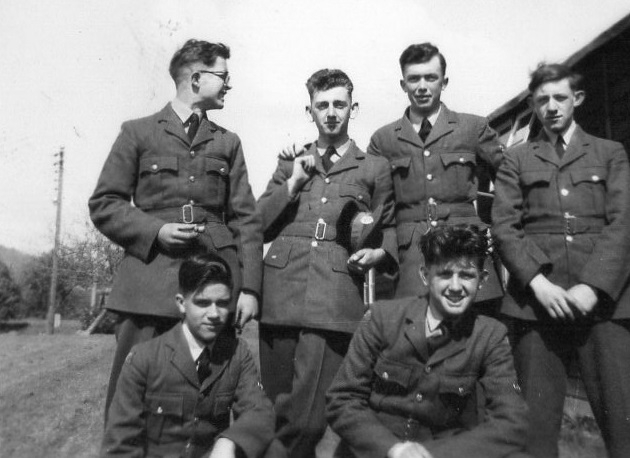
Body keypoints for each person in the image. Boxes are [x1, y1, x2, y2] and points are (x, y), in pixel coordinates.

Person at [89, 39, 262, 421]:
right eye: (223, 76)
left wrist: (249, 289)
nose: (229, 84)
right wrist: (156, 231)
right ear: (196, 78)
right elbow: (104, 202)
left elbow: (245, 219)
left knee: (208, 404)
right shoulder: (138, 132)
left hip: (213, 289)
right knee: (132, 402)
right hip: (148, 289)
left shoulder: (228, 142)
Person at [257, 69, 397, 457]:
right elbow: (259, 224)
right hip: (279, 296)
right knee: (274, 413)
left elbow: (390, 226)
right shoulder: (291, 161)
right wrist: (293, 182)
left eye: (339, 104)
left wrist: (380, 253)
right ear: (310, 111)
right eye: (322, 105)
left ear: (354, 108)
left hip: (333, 300)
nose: (331, 113)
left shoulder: (373, 167)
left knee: (307, 422)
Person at [492, 63, 630, 458]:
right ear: (533, 105)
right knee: (535, 432)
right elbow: (504, 227)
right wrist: (539, 284)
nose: (551, 107)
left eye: (560, 98)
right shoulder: (516, 159)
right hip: (536, 306)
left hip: (603, 305)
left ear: (577, 99)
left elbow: (623, 223)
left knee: (623, 425)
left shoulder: (609, 153)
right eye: (542, 100)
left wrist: (593, 286)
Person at [326, 224, 529, 458]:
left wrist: (431, 454)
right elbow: (342, 399)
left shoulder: (490, 335)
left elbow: (511, 421)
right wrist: (394, 449)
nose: (455, 287)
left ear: (482, 280)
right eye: (445, 274)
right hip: (377, 451)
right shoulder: (382, 318)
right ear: (425, 275)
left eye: (466, 275)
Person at [367, 43, 505, 303]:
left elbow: (511, 181)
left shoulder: (472, 128)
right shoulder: (383, 140)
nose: (422, 86)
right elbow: (377, 209)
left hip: (467, 250)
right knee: (415, 324)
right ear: (403, 84)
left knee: (479, 325)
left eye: (430, 78)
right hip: (411, 260)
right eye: (414, 79)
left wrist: (496, 230)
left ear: (444, 82)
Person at [101, 252, 274, 458]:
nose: (214, 314)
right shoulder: (144, 358)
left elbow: (260, 411)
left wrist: (229, 442)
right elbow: (120, 445)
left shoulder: (237, 354)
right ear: (181, 303)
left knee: (276, 450)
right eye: (203, 303)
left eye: (222, 303)